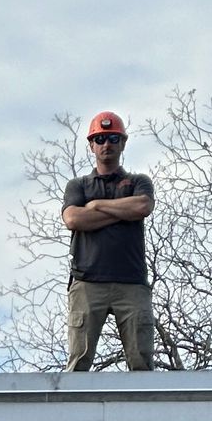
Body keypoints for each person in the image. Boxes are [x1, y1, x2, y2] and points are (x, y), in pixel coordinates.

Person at [60, 111, 156, 371]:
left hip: (132, 283)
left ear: (123, 142)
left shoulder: (138, 181)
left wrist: (97, 206)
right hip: (87, 282)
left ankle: (144, 412)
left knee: (142, 362)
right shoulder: (78, 186)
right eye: (100, 139)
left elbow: (143, 206)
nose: (106, 144)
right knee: (78, 362)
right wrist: (121, 213)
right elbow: (73, 220)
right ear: (91, 145)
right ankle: (73, 411)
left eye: (113, 138)